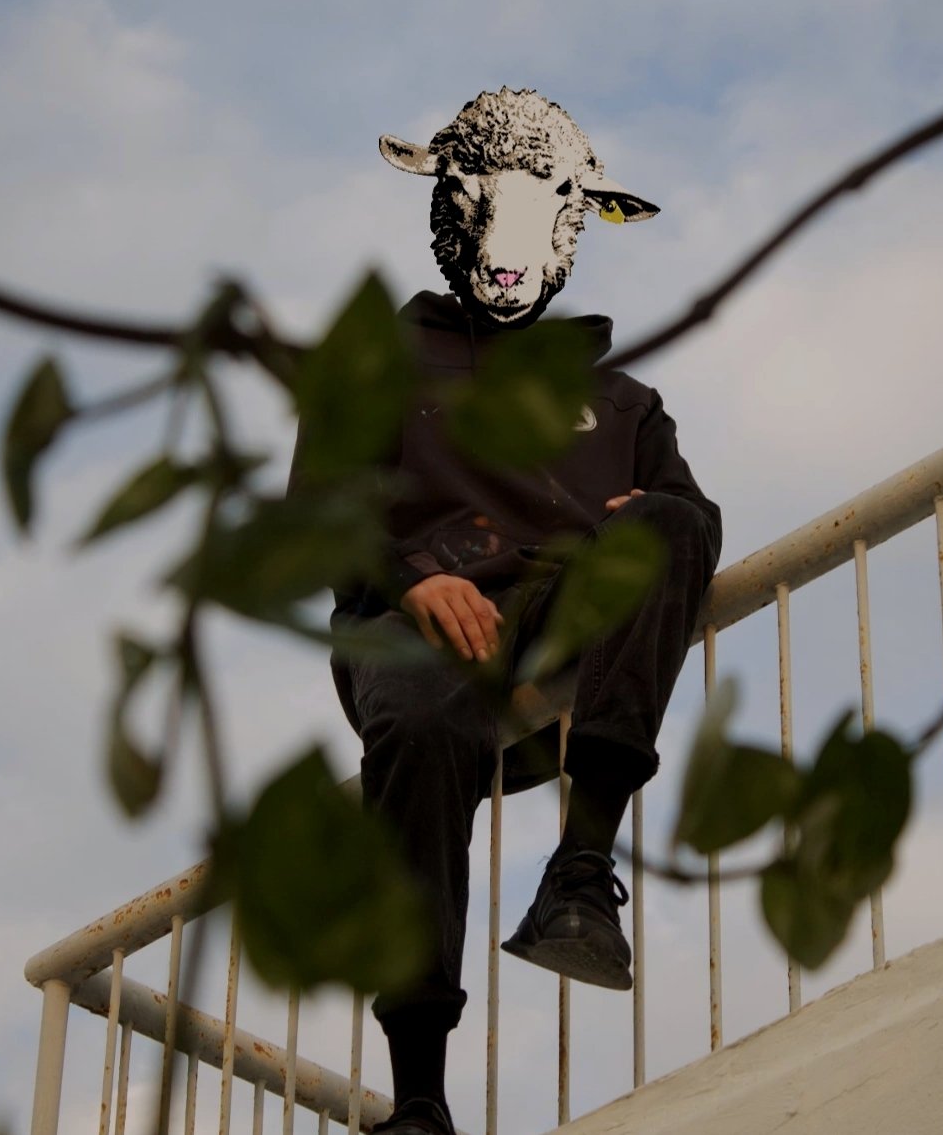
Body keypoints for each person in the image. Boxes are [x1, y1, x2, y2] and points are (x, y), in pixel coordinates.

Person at [290, 89, 722, 1135]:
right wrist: (409, 575)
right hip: (420, 622)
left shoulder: (622, 402)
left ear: (584, 216)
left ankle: (582, 871)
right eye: (477, 202)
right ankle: (422, 1100)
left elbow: (694, 520)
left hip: (566, 629)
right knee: (423, 724)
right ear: (447, 205)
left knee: (672, 522)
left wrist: (650, 515)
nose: (508, 248)